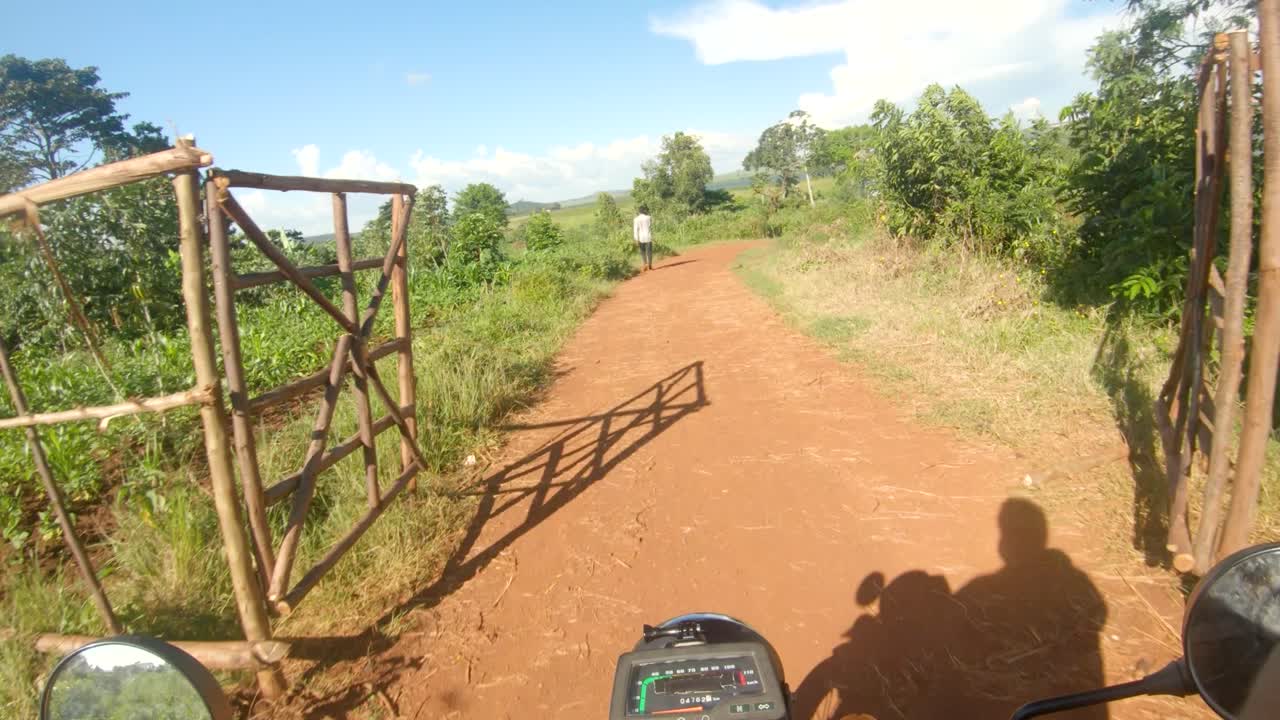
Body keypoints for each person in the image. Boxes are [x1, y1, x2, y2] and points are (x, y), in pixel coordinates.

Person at [633, 205, 653, 271]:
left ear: (639, 211)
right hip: (648, 236)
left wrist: (636, 239)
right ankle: (650, 264)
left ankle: (645, 263)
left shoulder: (636, 219)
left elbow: (635, 230)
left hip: (641, 237)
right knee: (649, 252)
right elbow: (650, 226)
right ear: (644, 211)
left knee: (642, 252)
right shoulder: (648, 217)